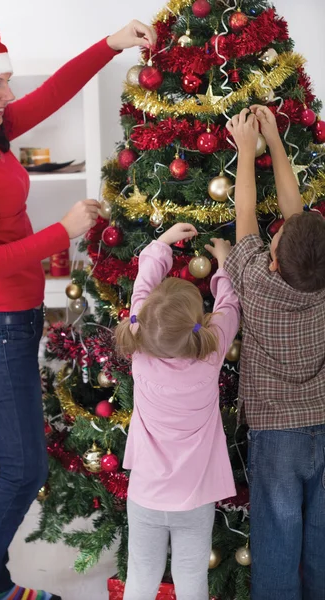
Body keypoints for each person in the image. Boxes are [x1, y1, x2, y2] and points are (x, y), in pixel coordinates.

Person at [0, 20, 156, 600]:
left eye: (5, 83)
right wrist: (64, 230)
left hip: (10, 324)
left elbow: (55, 91)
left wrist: (111, 44)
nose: (8, 95)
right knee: (23, 470)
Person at [223, 106, 325, 600]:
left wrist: (247, 150)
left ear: (275, 256)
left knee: (277, 540)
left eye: (278, 234)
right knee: (322, 545)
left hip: (276, 435)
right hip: (324, 424)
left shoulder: (257, 283)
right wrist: (278, 142)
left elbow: (245, 215)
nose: (276, 229)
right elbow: (297, 214)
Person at [115, 223, 240, 600]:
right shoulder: (212, 349)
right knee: (191, 580)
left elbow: (141, 289)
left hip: (146, 496)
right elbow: (229, 306)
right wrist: (223, 264)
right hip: (194, 497)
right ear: (196, 323)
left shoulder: (138, 343)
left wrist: (162, 244)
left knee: (140, 578)